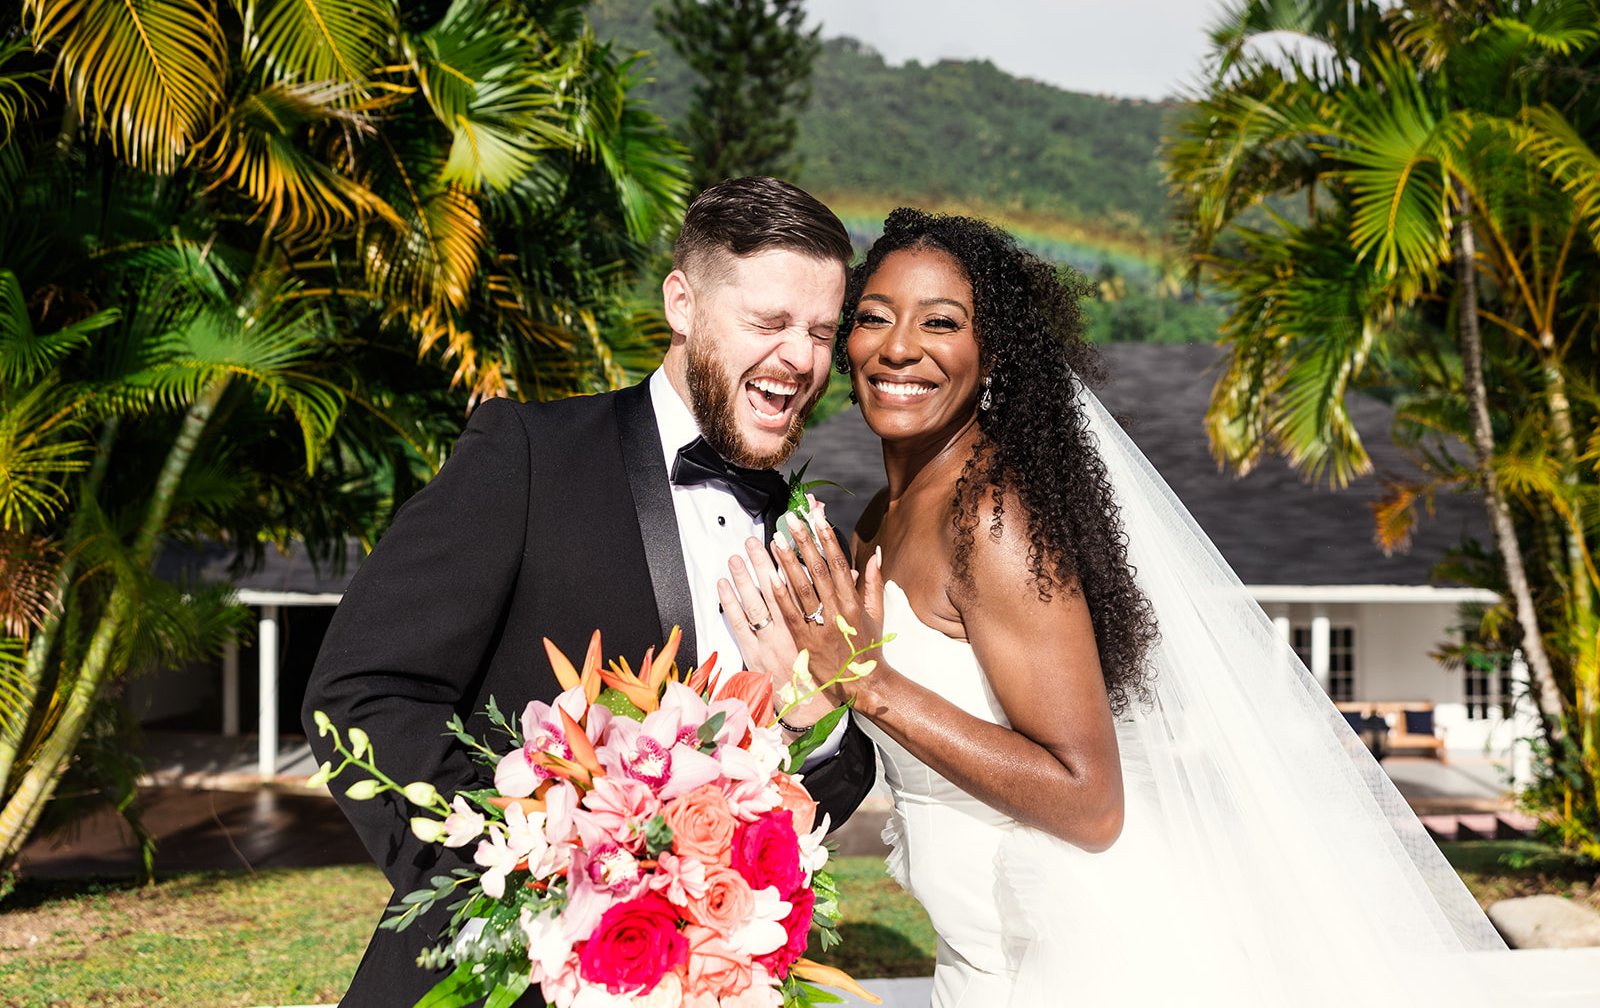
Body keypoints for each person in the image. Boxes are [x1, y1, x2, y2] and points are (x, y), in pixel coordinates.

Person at [721, 209, 1511, 1007]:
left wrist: (868, 683)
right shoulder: (879, 519)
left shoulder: (992, 520)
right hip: (977, 955)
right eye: (874, 317)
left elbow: (1090, 799)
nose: (899, 346)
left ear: (990, 354)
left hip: (1071, 957)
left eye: (941, 322)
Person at [301, 177, 877, 1008]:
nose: (801, 357)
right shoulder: (527, 454)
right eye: (769, 322)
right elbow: (363, 690)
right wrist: (531, 881)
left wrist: (810, 718)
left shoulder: (804, 530)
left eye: (822, 330)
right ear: (682, 303)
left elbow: (826, 784)